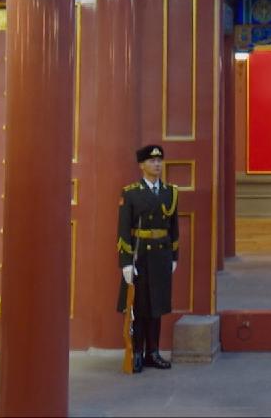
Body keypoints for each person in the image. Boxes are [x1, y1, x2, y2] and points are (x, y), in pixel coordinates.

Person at [117, 143, 179, 373]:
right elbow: (123, 229)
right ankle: (137, 353)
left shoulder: (170, 192)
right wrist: (125, 263)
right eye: (152, 161)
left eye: (159, 160)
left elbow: (173, 227)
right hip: (140, 255)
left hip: (161, 255)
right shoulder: (131, 193)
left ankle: (153, 352)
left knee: (157, 306)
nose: (157, 164)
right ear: (142, 165)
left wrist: (174, 255)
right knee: (139, 306)